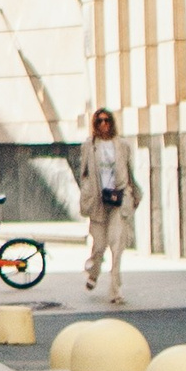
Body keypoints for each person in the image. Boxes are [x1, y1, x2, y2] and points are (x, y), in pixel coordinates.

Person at [76, 108, 139, 306]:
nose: (104, 124)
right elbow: (83, 173)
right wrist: (87, 193)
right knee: (100, 245)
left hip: (118, 198)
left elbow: (129, 171)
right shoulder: (89, 145)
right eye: (100, 121)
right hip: (97, 199)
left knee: (116, 243)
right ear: (95, 125)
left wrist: (132, 193)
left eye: (107, 121)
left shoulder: (122, 145)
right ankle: (93, 271)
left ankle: (115, 289)